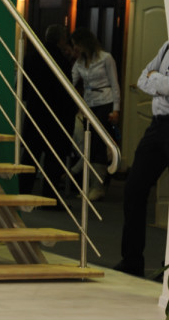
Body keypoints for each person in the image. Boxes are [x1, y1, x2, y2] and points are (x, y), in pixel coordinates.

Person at [116, 40, 169, 278]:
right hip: (158, 127)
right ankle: (132, 261)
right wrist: (159, 82)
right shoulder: (167, 46)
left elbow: (152, 79)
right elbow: (141, 79)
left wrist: (154, 78)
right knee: (134, 189)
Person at [19, 24, 76, 200]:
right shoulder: (62, 61)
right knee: (54, 157)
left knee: (31, 154)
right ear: (61, 40)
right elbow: (66, 91)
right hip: (56, 115)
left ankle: (23, 190)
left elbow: (23, 85)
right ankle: (49, 195)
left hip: (35, 111)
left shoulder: (32, 56)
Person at [70, 27, 120, 201]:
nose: (75, 48)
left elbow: (115, 84)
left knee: (98, 143)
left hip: (105, 101)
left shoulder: (106, 58)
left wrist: (116, 109)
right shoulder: (80, 62)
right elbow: (71, 79)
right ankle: (91, 184)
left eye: (76, 44)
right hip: (89, 103)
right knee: (89, 141)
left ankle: (97, 186)